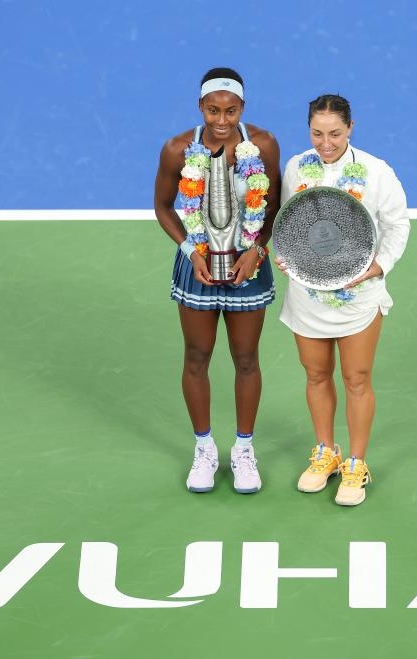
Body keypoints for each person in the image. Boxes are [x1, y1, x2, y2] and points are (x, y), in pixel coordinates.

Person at [276, 94, 410, 506]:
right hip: (308, 293)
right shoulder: (296, 167)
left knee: (356, 379)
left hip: (358, 296)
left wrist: (380, 265)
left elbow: (397, 224)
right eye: (317, 134)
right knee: (316, 375)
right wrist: (286, 254)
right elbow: (289, 219)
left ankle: (355, 463)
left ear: (351, 128)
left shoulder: (376, 171)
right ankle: (325, 453)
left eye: (335, 133)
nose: (326, 143)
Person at [153, 67, 281, 494]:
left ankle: (243, 450)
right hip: (198, 267)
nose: (221, 120)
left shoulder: (263, 144)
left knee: (246, 359)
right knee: (196, 356)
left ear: (242, 108)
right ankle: (204, 449)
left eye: (230, 111)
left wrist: (256, 249)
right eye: (213, 110)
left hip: (249, 266)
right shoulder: (176, 149)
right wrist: (191, 250)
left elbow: (273, 206)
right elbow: (163, 207)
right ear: (200, 107)